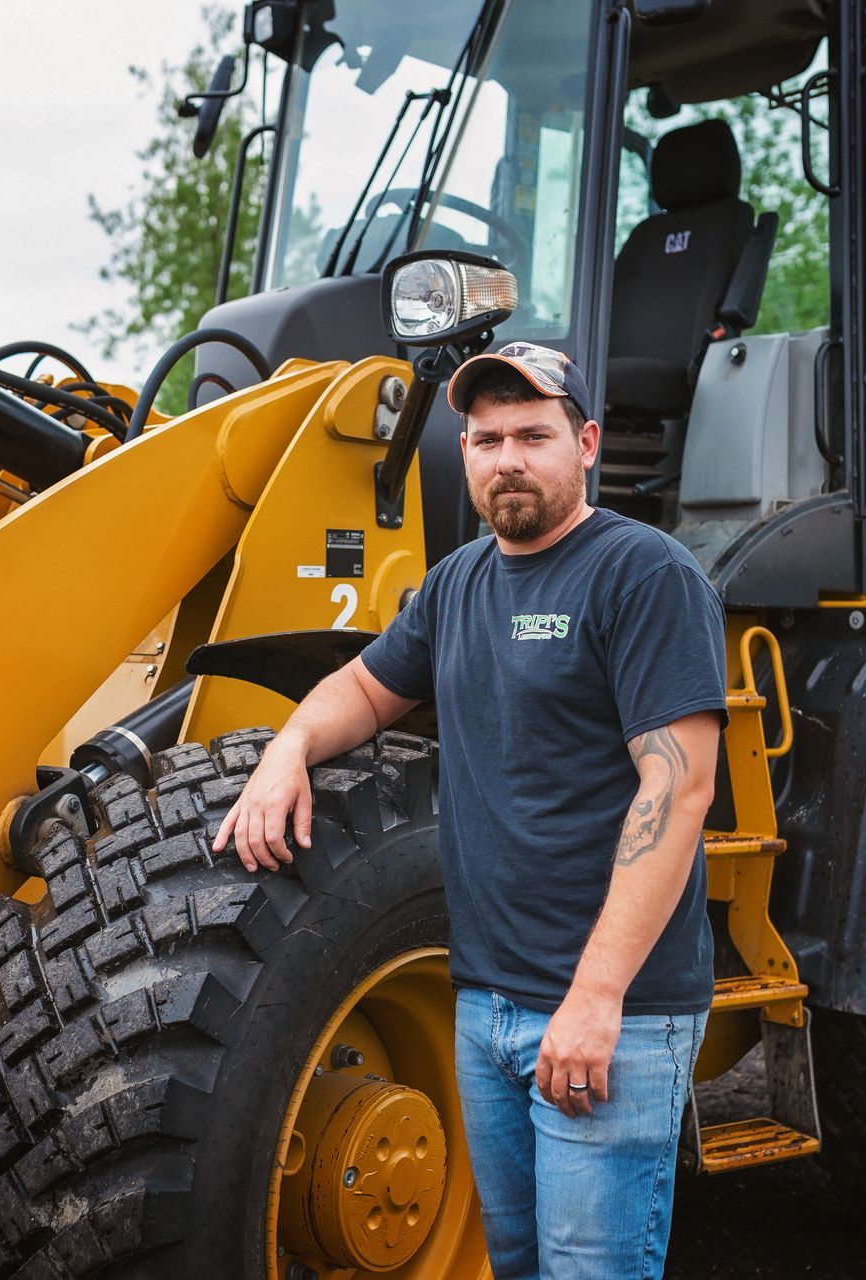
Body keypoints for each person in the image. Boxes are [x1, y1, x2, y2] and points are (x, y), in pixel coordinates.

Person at [214, 341, 728, 1278]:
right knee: (519, 1263)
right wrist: (287, 747)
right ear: (464, 453)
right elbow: (365, 691)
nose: (507, 459)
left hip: (607, 1015)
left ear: (586, 444)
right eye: (486, 439)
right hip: (489, 1007)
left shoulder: (642, 576)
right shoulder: (458, 586)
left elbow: (679, 788)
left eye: (533, 434)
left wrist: (596, 998)